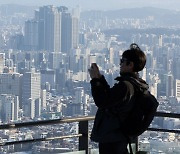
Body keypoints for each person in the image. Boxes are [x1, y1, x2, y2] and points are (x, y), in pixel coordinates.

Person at [88, 43, 148, 154]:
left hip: (112, 136)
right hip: (120, 135)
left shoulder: (126, 86)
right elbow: (111, 98)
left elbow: (102, 102)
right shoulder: (136, 84)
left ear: (130, 65)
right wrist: (100, 78)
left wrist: (95, 81)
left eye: (122, 61)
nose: (120, 64)